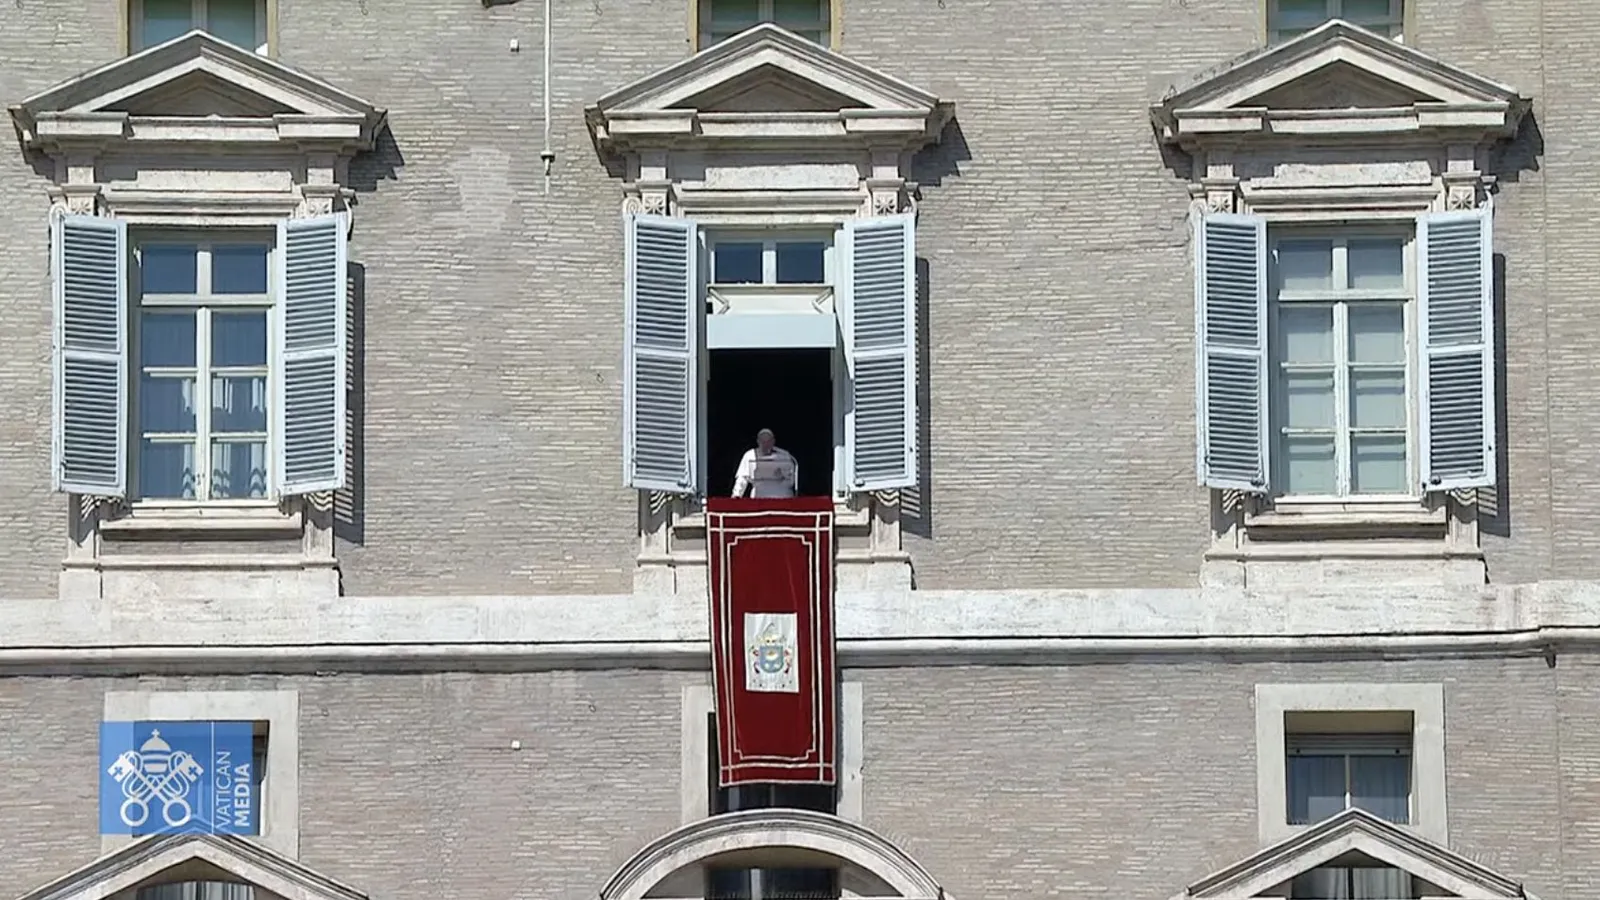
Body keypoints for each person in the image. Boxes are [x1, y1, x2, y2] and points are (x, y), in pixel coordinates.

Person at [732, 428, 799, 499]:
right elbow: (742, 478)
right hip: (759, 497)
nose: (766, 444)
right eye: (763, 441)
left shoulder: (784, 455)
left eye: (768, 441)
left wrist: (782, 476)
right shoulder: (750, 455)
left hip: (782, 496)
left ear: (773, 441)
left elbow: (792, 481)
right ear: (758, 441)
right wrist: (736, 495)